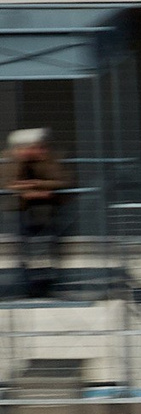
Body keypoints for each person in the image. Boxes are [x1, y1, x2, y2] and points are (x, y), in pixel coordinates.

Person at [8, 126, 66, 299]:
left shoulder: (51, 160)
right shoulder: (12, 162)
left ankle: (49, 283)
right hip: (22, 213)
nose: (34, 150)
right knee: (25, 250)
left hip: (49, 213)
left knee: (49, 249)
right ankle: (28, 284)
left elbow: (60, 182)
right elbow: (10, 185)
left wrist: (35, 188)